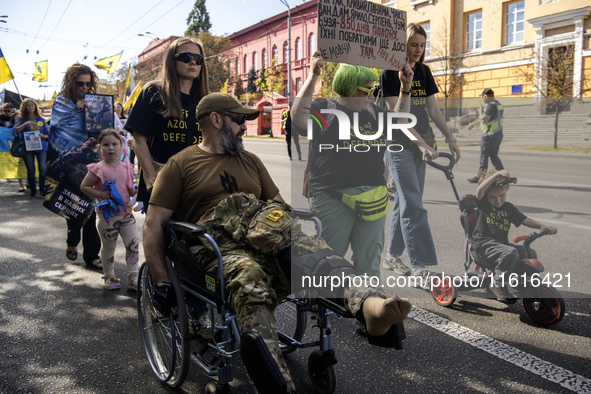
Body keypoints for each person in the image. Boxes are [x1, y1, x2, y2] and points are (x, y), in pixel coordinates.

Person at [143, 92, 412, 394]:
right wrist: (161, 280)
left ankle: (370, 305)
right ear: (216, 120)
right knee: (249, 276)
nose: (245, 126)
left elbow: (278, 206)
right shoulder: (180, 165)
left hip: (266, 235)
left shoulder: (251, 161)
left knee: (310, 247)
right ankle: (276, 382)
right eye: (239, 120)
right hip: (218, 248)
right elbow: (154, 225)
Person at [291, 52, 414, 279]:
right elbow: (298, 116)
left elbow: (401, 122)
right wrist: (313, 75)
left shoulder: (373, 113)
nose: (372, 94)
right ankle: (326, 307)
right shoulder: (325, 109)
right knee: (330, 260)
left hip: (373, 197)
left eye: (373, 89)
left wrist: (405, 88)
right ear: (350, 87)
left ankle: (369, 309)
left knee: (369, 261)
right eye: (368, 89)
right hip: (332, 195)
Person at [379, 23, 461, 283]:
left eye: (422, 45)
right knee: (414, 205)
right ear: (402, 45)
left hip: (422, 145)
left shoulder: (424, 72)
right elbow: (398, 117)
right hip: (399, 146)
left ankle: (391, 255)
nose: (418, 50)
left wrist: (451, 138)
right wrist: (421, 145)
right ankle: (421, 267)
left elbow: (434, 111)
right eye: (414, 44)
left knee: (405, 202)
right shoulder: (389, 73)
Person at [124, 37, 209, 206]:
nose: (193, 62)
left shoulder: (205, 99)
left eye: (198, 59)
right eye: (186, 57)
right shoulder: (154, 91)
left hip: (195, 184)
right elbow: (139, 140)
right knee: (159, 231)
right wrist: (152, 178)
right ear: (172, 60)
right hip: (160, 181)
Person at [473, 169, 557, 301]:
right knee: (510, 253)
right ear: (487, 196)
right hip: (483, 244)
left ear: (506, 190)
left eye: (502, 195)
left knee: (529, 252)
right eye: (493, 197)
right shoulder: (484, 204)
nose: (498, 200)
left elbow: (523, 219)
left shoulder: (508, 208)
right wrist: (495, 175)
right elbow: (480, 190)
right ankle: (498, 283)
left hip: (500, 245)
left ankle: (521, 282)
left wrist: (541, 226)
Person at [50, 63, 102, 270]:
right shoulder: (61, 101)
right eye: (80, 83)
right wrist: (75, 110)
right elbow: (55, 126)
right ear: (71, 82)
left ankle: (92, 254)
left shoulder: (95, 100)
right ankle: (72, 239)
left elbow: (101, 126)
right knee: (75, 203)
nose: (84, 88)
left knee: (89, 205)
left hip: (90, 158)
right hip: (68, 158)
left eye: (88, 84)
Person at [80, 129, 139, 290]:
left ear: (121, 146)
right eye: (106, 145)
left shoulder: (127, 167)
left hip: (127, 216)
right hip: (107, 217)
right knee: (109, 248)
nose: (111, 148)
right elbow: (84, 186)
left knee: (133, 245)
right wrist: (100, 194)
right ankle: (109, 277)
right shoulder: (97, 168)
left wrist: (135, 191)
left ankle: (133, 278)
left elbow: (129, 189)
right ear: (100, 148)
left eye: (114, 144)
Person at [12, 99, 49, 199]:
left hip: (42, 148)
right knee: (31, 169)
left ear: (35, 107)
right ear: (24, 107)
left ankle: (42, 191)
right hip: (28, 148)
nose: (30, 107)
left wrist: (43, 136)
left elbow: (48, 134)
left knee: (42, 169)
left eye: (32, 105)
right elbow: (14, 131)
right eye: (28, 106)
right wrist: (25, 124)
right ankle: (33, 191)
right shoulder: (20, 119)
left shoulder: (41, 120)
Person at [467, 88, 505, 183]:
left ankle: (480, 177)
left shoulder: (491, 106)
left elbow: (484, 119)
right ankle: (503, 175)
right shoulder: (498, 105)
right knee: (494, 156)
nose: (483, 99)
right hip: (497, 135)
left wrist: (480, 113)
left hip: (489, 135)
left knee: (484, 156)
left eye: (483, 97)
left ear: (486, 96)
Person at [2, 103, 26, 193]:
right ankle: (21, 185)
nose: (6, 112)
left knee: (28, 165)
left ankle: (28, 182)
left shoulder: (24, 123)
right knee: (18, 166)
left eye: (9, 110)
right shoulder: (4, 122)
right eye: (5, 110)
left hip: (25, 146)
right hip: (14, 147)